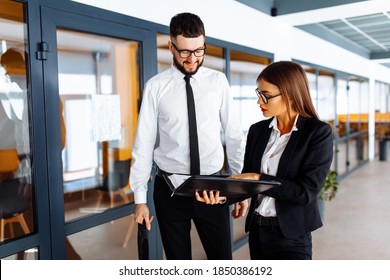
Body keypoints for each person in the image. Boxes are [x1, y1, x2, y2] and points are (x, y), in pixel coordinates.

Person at [130, 12, 248, 260]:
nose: (193, 59)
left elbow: (234, 135)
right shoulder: (155, 87)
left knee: (222, 261)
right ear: (171, 46)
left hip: (212, 188)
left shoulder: (218, 82)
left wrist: (239, 189)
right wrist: (140, 199)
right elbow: (144, 144)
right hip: (170, 189)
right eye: (184, 52)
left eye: (199, 50)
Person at [198, 61, 334, 259]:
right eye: (258, 94)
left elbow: (305, 193)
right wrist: (224, 196)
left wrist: (259, 177)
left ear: (289, 95)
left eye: (266, 96)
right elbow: (248, 182)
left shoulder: (317, 133)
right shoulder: (258, 131)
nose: (259, 102)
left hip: (291, 236)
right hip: (258, 230)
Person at [1, 48, 79, 259]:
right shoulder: (29, 95)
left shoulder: (43, 94)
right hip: (33, 171)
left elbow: (56, 141)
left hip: (42, 172)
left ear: (23, 67)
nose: (9, 78)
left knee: (47, 227)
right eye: (6, 74)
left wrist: (30, 176)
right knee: (32, 226)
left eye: (10, 72)